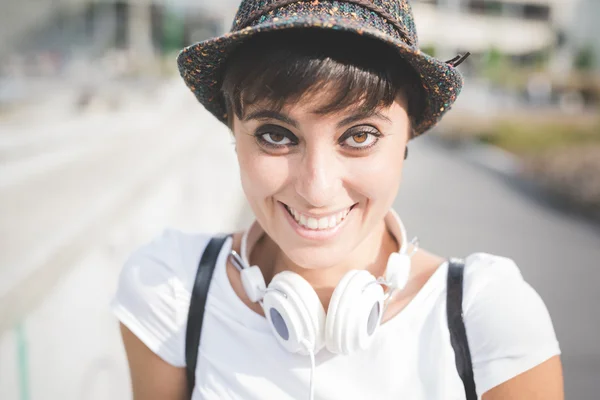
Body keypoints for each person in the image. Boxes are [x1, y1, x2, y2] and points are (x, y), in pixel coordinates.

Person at [111, 0, 563, 399]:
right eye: (275, 135)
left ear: (407, 138)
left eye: (360, 135)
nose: (317, 187)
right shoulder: (171, 292)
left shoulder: (486, 318)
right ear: (234, 134)